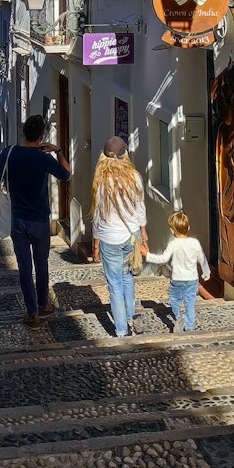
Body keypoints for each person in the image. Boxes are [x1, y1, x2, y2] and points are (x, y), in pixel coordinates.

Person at [0, 115, 71, 327]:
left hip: (17, 219)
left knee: (24, 267)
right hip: (39, 220)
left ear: (23, 131)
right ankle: (44, 304)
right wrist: (58, 151)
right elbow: (66, 175)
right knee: (41, 263)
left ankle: (32, 313)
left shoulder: (8, 153)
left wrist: (0, 208)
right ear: (42, 136)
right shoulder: (44, 158)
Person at [90, 137, 148, 338]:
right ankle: (130, 317)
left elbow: (97, 215)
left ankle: (121, 330)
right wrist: (143, 231)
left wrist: (95, 245)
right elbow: (140, 207)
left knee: (114, 284)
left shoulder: (101, 181)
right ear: (126, 154)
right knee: (127, 277)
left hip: (109, 237)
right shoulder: (135, 176)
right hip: (131, 235)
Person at [142, 211, 211, 333]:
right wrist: (206, 272)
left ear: (172, 230)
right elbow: (202, 258)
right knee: (190, 303)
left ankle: (179, 317)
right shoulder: (195, 243)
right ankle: (189, 327)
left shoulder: (173, 244)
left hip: (177, 279)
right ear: (188, 227)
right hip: (192, 279)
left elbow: (162, 259)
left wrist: (147, 255)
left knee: (174, 300)